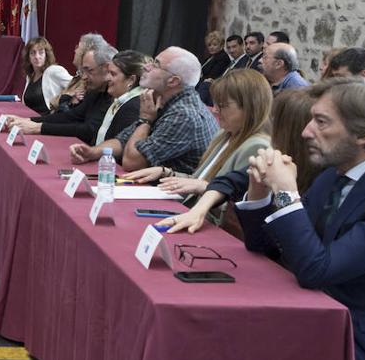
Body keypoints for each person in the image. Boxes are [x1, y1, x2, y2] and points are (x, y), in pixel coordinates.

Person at [234, 78, 365, 360]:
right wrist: (260, 191)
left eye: (321, 122)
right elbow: (268, 247)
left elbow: (315, 269)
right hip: (322, 324)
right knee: (226, 339)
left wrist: (287, 194)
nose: (306, 131)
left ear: (364, 135)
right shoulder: (334, 175)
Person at [162, 87, 317, 235]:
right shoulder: (229, 137)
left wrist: (285, 193)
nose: (215, 110)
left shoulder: (325, 178)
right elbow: (228, 182)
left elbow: (290, 240)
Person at [121, 68, 272, 204]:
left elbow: (239, 202)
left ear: (250, 107)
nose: (215, 110)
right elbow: (200, 181)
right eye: (215, 104)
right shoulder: (226, 134)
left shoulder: (256, 146)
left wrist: (204, 187)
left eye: (223, 105)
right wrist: (166, 172)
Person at [114, 46, 219, 173]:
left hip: (177, 191)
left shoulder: (183, 115)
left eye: (156, 65)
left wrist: (145, 121)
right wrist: (92, 152)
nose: (146, 67)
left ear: (173, 81)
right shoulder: (162, 100)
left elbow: (131, 162)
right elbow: (123, 140)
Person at [8, 40, 118, 145]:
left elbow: (89, 130)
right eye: (82, 71)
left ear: (106, 68)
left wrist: (38, 127)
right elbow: (70, 116)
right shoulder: (95, 91)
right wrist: (28, 120)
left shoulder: (114, 95)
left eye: (89, 71)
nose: (83, 77)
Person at [65, 50, 149, 161]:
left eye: (113, 74)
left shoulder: (133, 107)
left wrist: (93, 154)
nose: (107, 78)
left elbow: (122, 150)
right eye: (108, 72)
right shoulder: (121, 101)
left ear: (131, 80)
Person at [20, 37, 71, 115]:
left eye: (41, 52)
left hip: (49, 122)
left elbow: (77, 85)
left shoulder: (53, 71)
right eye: (33, 53)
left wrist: (63, 101)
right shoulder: (30, 76)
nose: (37, 57)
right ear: (28, 57)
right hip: (31, 120)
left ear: (46, 55)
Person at [55, 33, 107, 108]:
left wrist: (68, 99)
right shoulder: (78, 76)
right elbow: (54, 102)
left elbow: (71, 113)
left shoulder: (89, 82)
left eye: (78, 47)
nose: (75, 50)